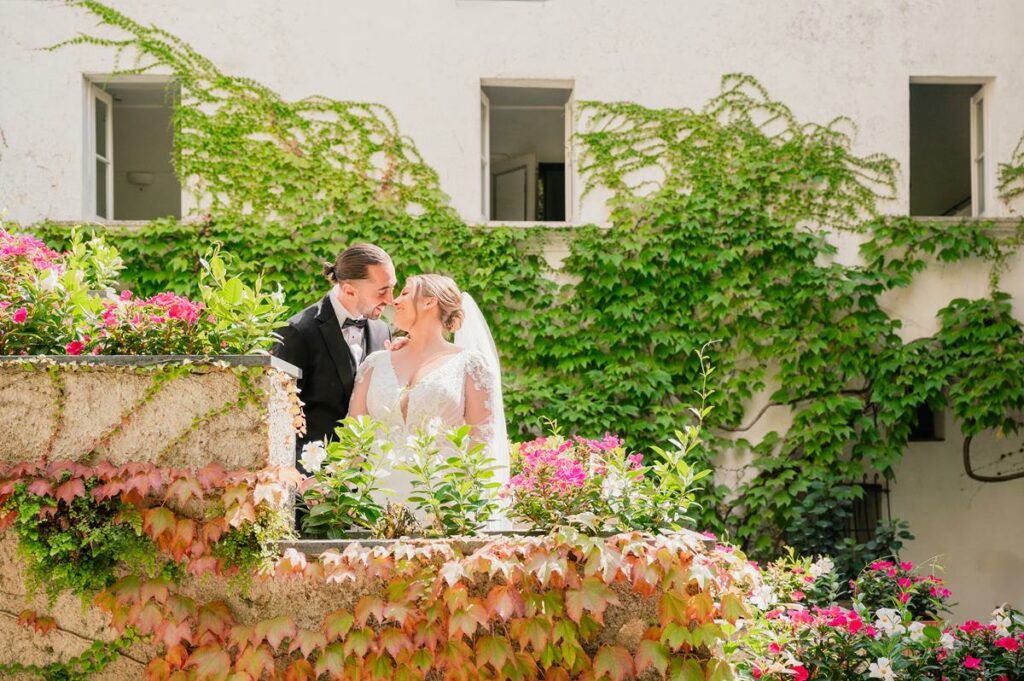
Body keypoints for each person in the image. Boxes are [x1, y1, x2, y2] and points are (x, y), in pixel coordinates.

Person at [348, 273, 509, 507]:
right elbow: (353, 441)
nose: (395, 301)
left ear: (429, 301)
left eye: (404, 293)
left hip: (444, 504)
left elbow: (481, 444)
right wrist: (337, 493)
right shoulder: (374, 364)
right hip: (375, 503)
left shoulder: (471, 365)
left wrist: (462, 506)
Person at [271, 244, 396, 456]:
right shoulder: (297, 332)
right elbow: (278, 417)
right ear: (349, 289)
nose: (391, 299)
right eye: (382, 291)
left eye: (393, 287)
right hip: (315, 476)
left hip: (373, 476)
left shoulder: (383, 331)